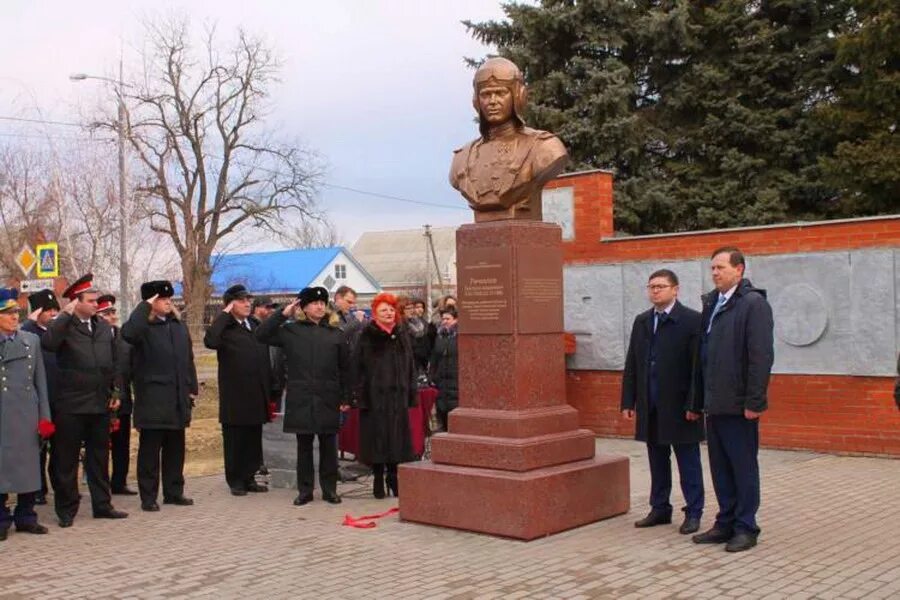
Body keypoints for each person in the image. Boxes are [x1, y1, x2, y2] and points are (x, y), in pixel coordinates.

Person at [692, 247, 774, 553]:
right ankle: (725, 522)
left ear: (739, 270)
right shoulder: (712, 303)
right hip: (714, 403)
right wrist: (698, 399)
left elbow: (761, 356)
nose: (715, 273)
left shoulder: (753, 304)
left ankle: (745, 526)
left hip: (739, 405)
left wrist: (754, 401)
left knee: (742, 467)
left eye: (721, 267)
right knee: (721, 468)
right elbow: (703, 356)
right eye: (712, 268)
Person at [621, 269, 705, 535]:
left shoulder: (692, 320)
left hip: (681, 407)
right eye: (651, 286)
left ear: (675, 289)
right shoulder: (643, 321)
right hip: (651, 405)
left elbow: (698, 368)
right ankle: (660, 508)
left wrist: (695, 404)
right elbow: (633, 362)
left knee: (688, 462)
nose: (655, 291)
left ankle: (694, 512)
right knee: (657, 461)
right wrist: (628, 401)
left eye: (661, 286)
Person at [41, 274, 127, 527]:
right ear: (75, 302)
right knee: (66, 460)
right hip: (71, 405)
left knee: (99, 458)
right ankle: (66, 509)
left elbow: (115, 363)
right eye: (90, 301)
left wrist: (116, 392)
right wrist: (64, 315)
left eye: (95, 300)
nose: (95, 305)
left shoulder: (102, 327)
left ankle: (102, 505)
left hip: (99, 403)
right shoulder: (64, 325)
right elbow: (48, 343)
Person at [256, 287, 349, 506]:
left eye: (322, 303)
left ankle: (329, 489)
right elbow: (261, 335)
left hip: (328, 396)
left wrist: (346, 397)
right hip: (302, 396)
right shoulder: (291, 331)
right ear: (303, 307)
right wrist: (282, 314)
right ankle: (305, 490)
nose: (319, 307)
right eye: (314, 303)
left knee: (328, 446)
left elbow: (345, 368)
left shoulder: (335, 333)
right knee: (304, 446)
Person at [450, 57, 568, 221]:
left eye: (500, 93)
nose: (492, 101)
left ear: (518, 96)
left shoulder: (545, 147)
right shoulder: (462, 158)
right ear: (476, 101)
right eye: (486, 94)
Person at [121, 281, 198, 512]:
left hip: (177, 398)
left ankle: (174, 491)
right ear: (150, 302)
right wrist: (145, 307)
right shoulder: (142, 327)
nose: (167, 303)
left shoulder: (177, 326)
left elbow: (188, 359)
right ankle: (148, 496)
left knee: (176, 449)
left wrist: (191, 387)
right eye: (161, 299)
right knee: (150, 452)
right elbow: (128, 333)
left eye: (168, 299)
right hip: (153, 399)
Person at [204, 285, 273, 496]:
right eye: (242, 301)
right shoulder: (225, 327)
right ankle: (235, 480)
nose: (247, 304)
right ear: (230, 304)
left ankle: (249, 477)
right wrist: (224, 314)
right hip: (235, 395)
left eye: (248, 300)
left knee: (253, 439)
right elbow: (210, 341)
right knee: (236, 440)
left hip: (256, 392)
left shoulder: (254, 325)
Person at [0, 288, 53, 541]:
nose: (14, 317)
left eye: (16, 312)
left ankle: (26, 516)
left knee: (29, 467)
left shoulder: (31, 341)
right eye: (7, 313)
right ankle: (1, 519)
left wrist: (45, 417)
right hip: (3, 413)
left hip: (27, 413)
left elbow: (40, 381)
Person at [353, 293, 416, 499]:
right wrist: (360, 395)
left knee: (397, 438)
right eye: (383, 310)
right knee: (377, 438)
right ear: (375, 314)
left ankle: (394, 476)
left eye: (391, 309)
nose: (389, 313)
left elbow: (410, 365)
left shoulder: (402, 334)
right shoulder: (367, 335)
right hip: (375, 397)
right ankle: (378, 478)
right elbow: (358, 368)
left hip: (398, 397)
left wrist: (410, 391)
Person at [20, 288, 60, 505]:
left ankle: (60, 488)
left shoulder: (57, 333)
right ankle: (38, 490)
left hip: (59, 400)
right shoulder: (29, 334)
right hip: (36, 402)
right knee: (38, 449)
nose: (53, 314)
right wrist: (29, 322)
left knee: (60, 450)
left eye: (55, 310)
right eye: (48, 310)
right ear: (37, 312)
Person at [95, 294, 137, 496]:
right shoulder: (93, 338)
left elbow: (131, 368)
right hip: (100, 401)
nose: (112, 316)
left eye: (113, 312)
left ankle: (119, 482)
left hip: (123, 400)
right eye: (106, 313)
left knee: (122, 445)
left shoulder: (124, 338)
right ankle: (100, 485)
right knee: (101, 447)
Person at [429, 307, 459, 432]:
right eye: (443, 319)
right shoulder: (440, 335)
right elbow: (434, 357)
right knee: (442, 408)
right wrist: (432, 375)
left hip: (455, 379)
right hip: (441, 379)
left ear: (456, 319)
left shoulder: (460, 336)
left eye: (448, 319)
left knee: (454, 408)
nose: (444, 321)